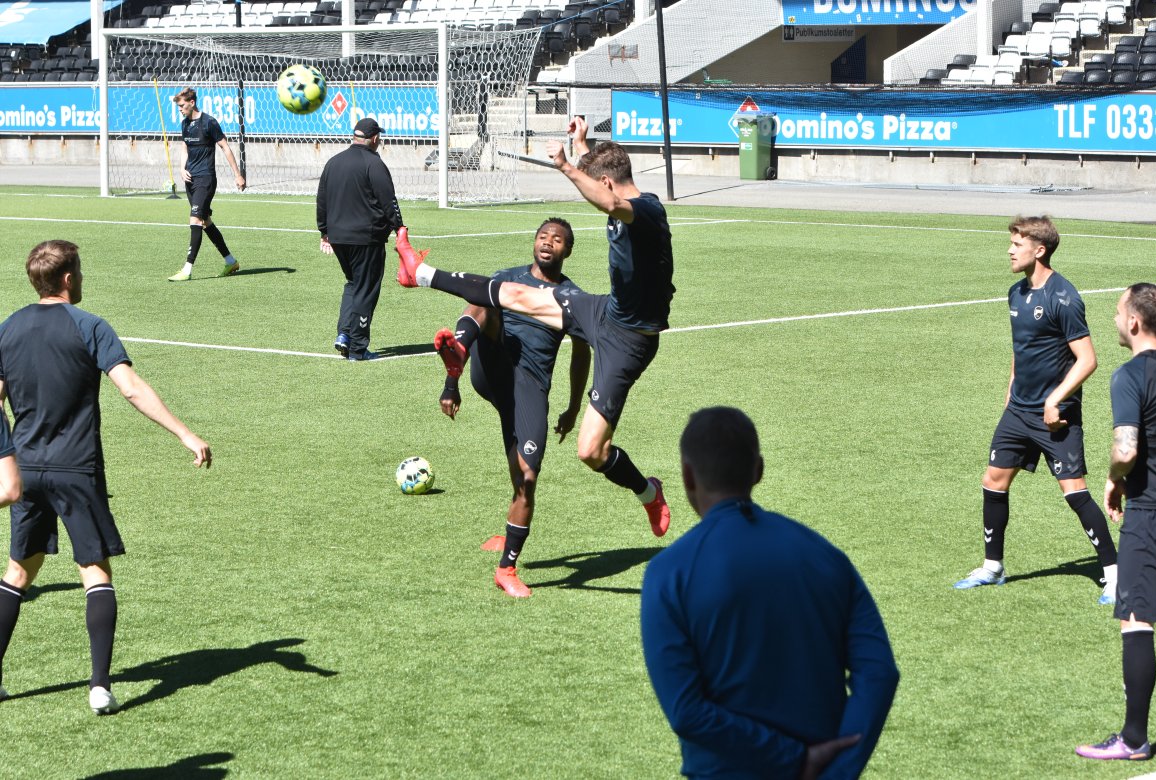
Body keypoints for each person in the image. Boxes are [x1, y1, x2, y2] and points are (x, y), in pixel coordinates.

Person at [396, 120, 675, 534]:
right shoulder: (615, 187)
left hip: (629, 343)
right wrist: (582, 145)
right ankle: (420, 273)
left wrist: (565, 165)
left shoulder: (646, 210)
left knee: (591, 452)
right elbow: (605, 185)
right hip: (605, 312)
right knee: (514, 293)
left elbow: (611, 201)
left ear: (605, 183)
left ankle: (649, 493)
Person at [0, 240, 212, 715]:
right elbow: (131, 389)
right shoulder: (89, 326)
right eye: (79, 270)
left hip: (26, 469)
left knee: (19, 573)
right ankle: (99, 686)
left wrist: (7, 456)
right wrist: (184, 433)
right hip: (77, 470)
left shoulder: (7, 328)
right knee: (95, 572)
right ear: (68, 278)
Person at [640, 407, 900, 779]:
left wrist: (794, 760)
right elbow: (879, 673)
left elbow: (687, 712)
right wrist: (834, 769)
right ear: (758, 470)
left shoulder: (668, 573)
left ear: (687, 476)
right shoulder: (826, 557)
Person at [954, 215, 1118, 605]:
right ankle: (993, 566)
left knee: (1074, 492)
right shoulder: (1016, 293)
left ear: (1039, 250)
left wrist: (1054, 399)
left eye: (1017, 244)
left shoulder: (1064, 297)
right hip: (1018, 411)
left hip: (1055, 416)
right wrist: (1011, 388)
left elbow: (1087, 360)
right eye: (1011, 243)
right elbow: (1022, 347)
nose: (1010, 250)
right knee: (993, 480)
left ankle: (1115, 575)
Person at [435, 218, 591, 598]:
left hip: (529, 388)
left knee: (526, 477)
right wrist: (451, 384)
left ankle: (507, 551)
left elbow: (581, 353)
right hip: (493, 366)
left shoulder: (572, 298)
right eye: (543, 236)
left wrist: (573, 407)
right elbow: (485, 302)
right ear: (534, 242)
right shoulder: (508, 277)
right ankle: (458, 352)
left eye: (557, 239)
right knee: (486, 294)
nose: (548, 242)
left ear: (568, 250)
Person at [1076, 283, 1156, 762]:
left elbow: (1126, 449)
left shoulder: (1130, 375)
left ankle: (1134, 739)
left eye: (1116, 312)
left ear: (1134, 322)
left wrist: (1114, 478)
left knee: (1137, 621)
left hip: (1152, 512)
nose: (1113, 319)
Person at [317, 117, 405, 362]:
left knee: (353, 283)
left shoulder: (334, 162)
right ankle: (357, 347)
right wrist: (399, 227)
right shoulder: (374, 163)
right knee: (366, 289)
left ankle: (344, 334)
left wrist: (324, 231)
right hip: (366, 238)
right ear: (375, 138)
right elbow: (388, 200)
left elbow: (322, 199)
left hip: (338, 237)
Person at [168, 87, 246, 282]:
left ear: (192, 102)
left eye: (182, 105)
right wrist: (181, 168)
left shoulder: (209, 122)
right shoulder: (185, 124)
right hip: (190, 180)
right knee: (205, 221)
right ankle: (230, 261)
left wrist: (238, 175)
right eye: (178, 107)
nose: (180, 109)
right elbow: (185, 148)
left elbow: (225, 147)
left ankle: (187, 269)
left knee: (195, 220)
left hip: (206, 179)